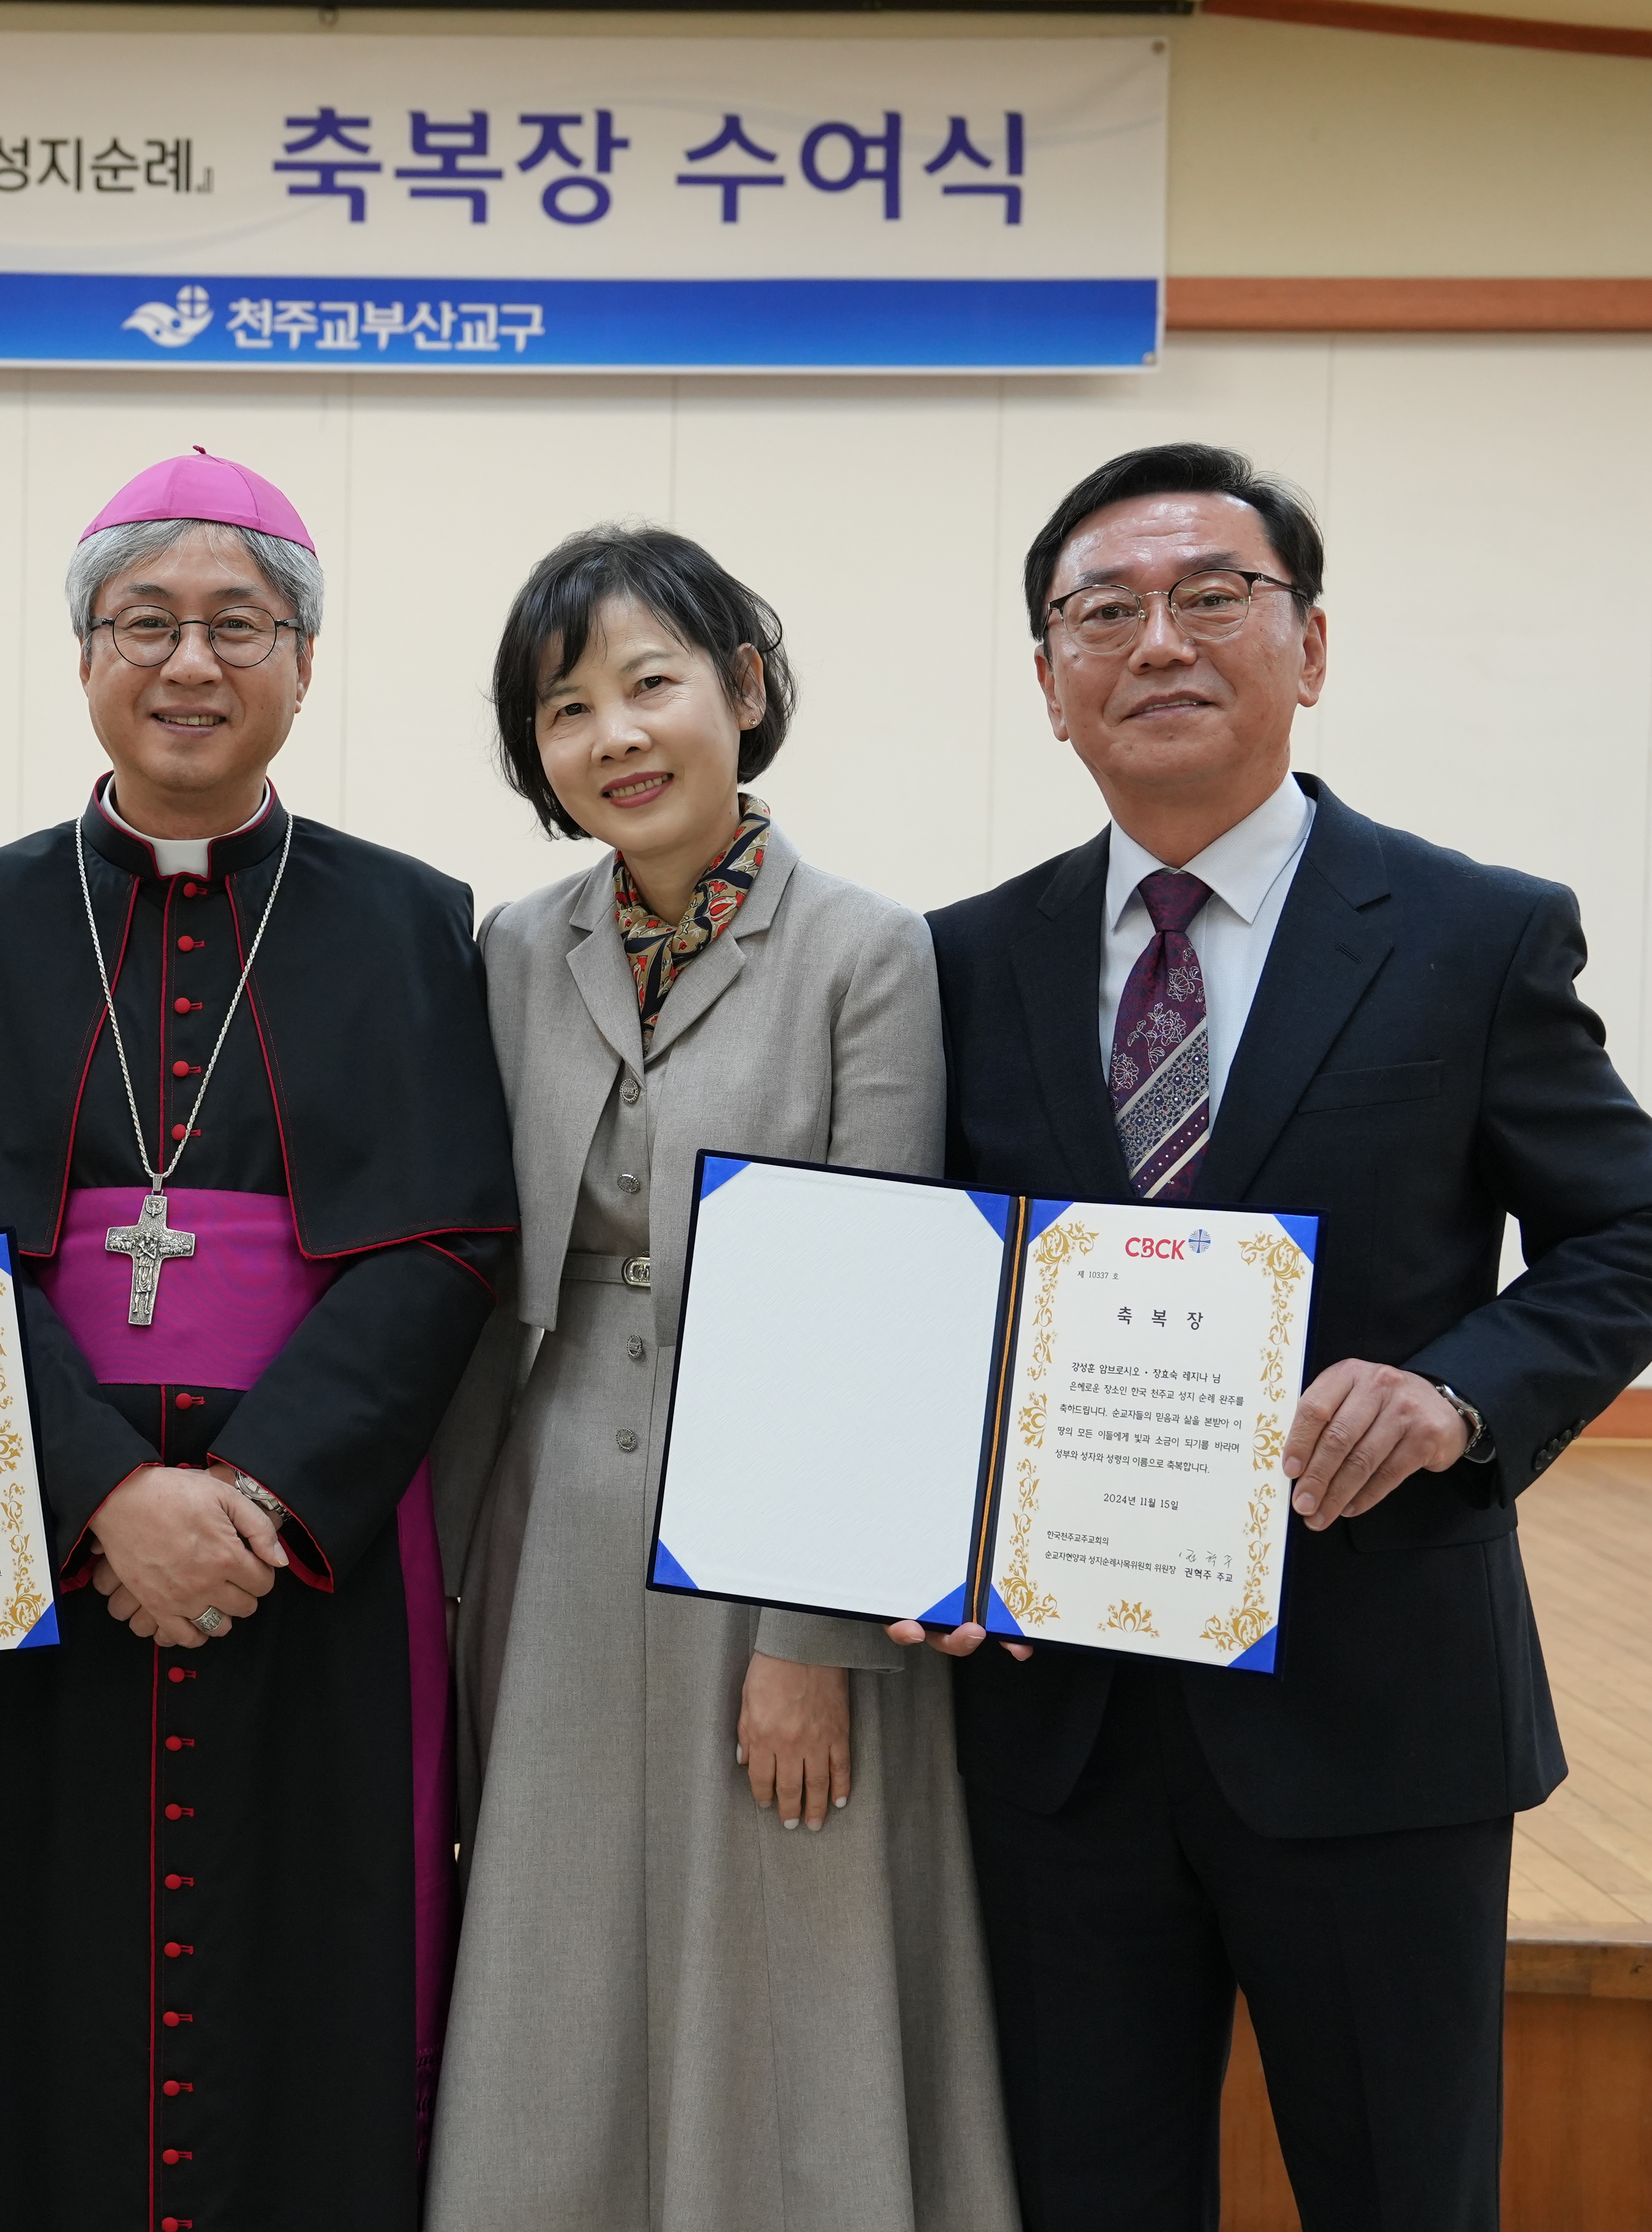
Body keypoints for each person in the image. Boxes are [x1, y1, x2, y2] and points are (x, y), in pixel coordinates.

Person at [902, 444, 1652, 2231]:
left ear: (1311, 647)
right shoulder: (962, 962)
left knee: (1399, 2190)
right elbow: (927, 1296)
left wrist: (1451, 1394)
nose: (1157, 643)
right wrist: (913, 1527)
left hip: (1375, 1707)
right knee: (1082, 2196)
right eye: (1101, 612)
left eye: (1214, 597)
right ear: (1050, 686)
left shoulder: (1470, 934)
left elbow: (1639, 1234)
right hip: (1061, 1728)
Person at [0, 450, 516, 2231]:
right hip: (42, 1549)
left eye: (241, 624)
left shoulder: (405, 920)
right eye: (144, 622)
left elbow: (448, 1240)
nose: (190, 663)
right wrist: (101, 1497)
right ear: (84, 656)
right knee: (33, 1971)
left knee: (307, 1962)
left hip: (304, 1555)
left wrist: (256, 1492)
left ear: (305, 664)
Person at [426, 526, 1016, 2231]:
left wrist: (811, 1639)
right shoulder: (516, 948)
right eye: (565, 708)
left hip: (772, 1532)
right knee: (557, 1936)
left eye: (652, 684)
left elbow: (883, 1305)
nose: (615, 734)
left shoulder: (866, 948)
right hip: (549, 1528)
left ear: (744, 694)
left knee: (786, 1924)